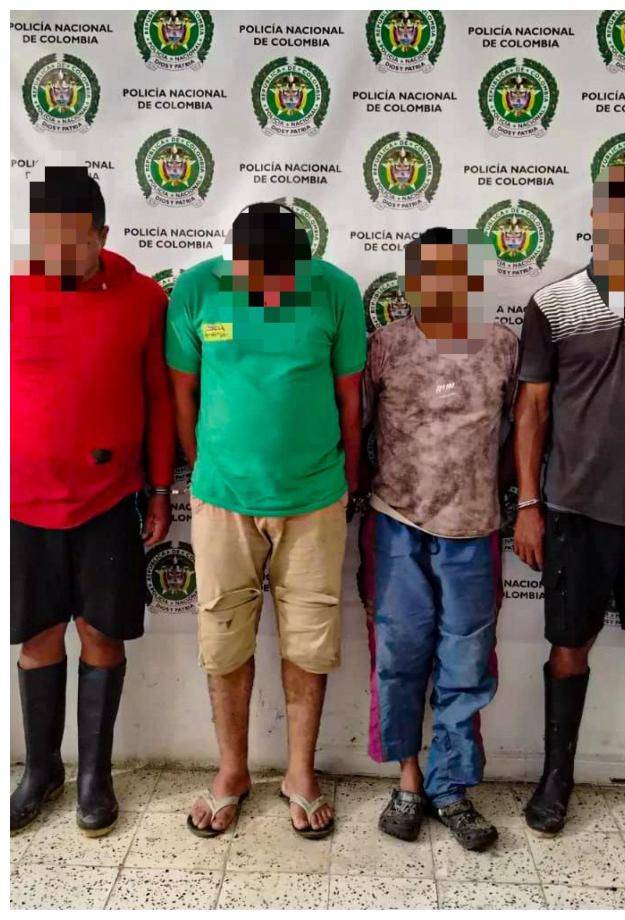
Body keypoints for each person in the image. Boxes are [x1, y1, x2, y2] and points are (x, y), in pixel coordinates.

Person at [166, 203, 365, 839]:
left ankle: (300, 773)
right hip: (222, 499)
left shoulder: (336, 290)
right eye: (258, 277)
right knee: (223, 637)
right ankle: (232, 771)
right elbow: (183, 392)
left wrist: (345, 483)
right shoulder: (198, 289)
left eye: (284, 276)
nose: (272, 290)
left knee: (310, 641)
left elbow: (350, 398)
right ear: (235, 262)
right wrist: (206, 473)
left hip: (314, 498)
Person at [11, 166, 174, 836]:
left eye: (74, 242)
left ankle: (96, 777)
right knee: (38, 636)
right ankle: (42, 770)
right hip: (21, 502)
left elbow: (160, 401)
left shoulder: (141, 299)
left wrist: (161, 488)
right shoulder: (11, 290)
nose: (59, 257)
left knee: (101, 634)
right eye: (46, 241)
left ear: (103, 234)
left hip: (110, 500)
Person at [513, 164, 625, 833]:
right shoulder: (556, 304)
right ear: (600, 217)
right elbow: (532, 414)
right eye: (618, 209)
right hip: (574, 511)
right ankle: (556, 777)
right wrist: (527, 505)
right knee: (567, 648)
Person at [357, 228, 518, 851]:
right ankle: (408, 779)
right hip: (396, 523)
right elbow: (358, 426)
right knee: (398, 655)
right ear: (412, 282)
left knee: (467, 663)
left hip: (474, 530)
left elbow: (518, 433)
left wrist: (500, 494)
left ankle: (451, 789)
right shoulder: (388, 346)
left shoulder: (503, 345)